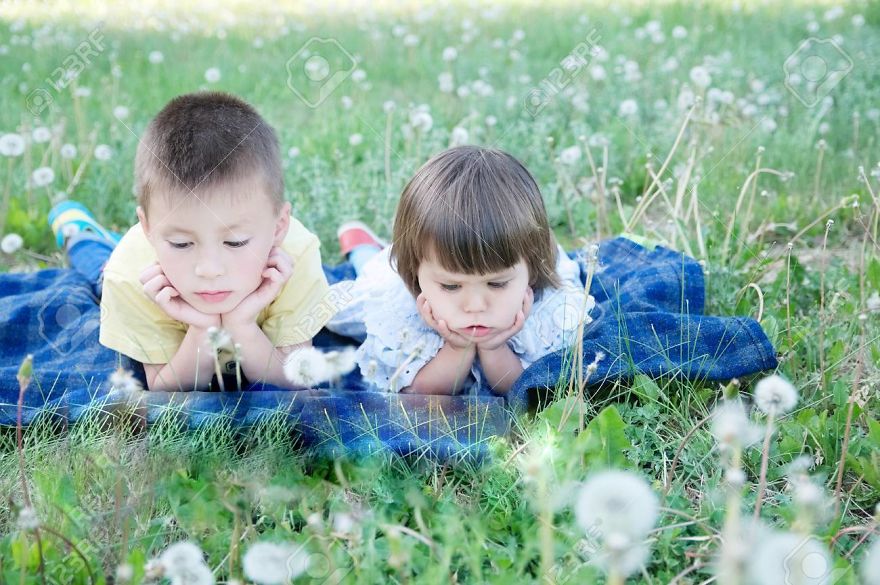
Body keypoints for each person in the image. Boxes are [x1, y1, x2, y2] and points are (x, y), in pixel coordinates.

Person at [50, 92, 333, 392]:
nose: (209, 270)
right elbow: (165, 389)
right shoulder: (129, 274)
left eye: (236, 242)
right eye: (181, 243)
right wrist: (204, 329)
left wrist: (242, 326)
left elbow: (295, 382)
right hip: (134, 266)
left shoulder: (296, 255)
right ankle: (78, 233)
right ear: (146, 228)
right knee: (99, 270)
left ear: (278, 228)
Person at [326, 146, 593, 395]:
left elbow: (525, 389)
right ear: (416, 277)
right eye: (452, 286)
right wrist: (458, 348)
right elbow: (419, 391)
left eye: (497, 284)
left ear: (531, 273)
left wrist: (495, 348)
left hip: (515, 260)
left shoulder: (550, 310)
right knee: (365, 279)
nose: (475, 305)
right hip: (394, 272)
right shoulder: (398, 304)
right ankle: (362, 248)